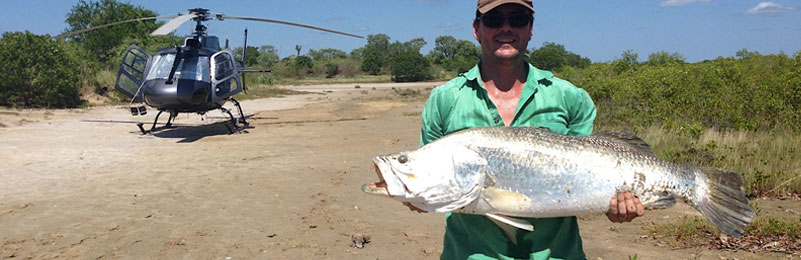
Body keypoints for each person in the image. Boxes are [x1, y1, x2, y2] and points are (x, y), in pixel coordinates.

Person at [410, 0, 646, 259]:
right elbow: (430, 178)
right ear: (477, 29)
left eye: (518, 19)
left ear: (531, 28)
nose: (506, 28)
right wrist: (418, 195)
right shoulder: (443, 100)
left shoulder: (570, 97)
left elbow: (587, 181)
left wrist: (616, 207)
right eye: (494, 20)